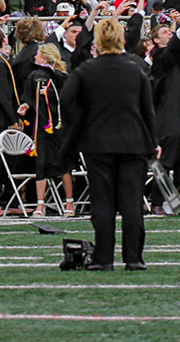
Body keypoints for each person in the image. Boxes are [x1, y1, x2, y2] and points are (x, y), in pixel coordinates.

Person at [59, 17, 154, 271]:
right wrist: (153, 140)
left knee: (102, 202)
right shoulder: (136, 68)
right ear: (121, 39)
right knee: (132, 202)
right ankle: (134, 258)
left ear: (98, 41)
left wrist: (82, 119)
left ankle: (103, 258)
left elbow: (66, 99)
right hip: (134, 142)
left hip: (97, 141)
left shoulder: (86, 70)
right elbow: (148, 109)